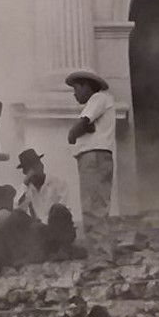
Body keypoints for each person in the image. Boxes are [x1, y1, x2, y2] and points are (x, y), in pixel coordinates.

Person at [65, 69, 116, 221]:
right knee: (97, 203)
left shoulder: (98, 98)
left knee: (93, 204)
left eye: (76, 88)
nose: (74, 94)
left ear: (86, 86)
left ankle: (96, 240)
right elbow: (88, 126)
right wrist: (83, 129)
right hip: (98, 155)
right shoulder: (101, 101)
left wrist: (73, 134)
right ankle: (98, 240)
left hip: (93, 155)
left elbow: (81, 125)